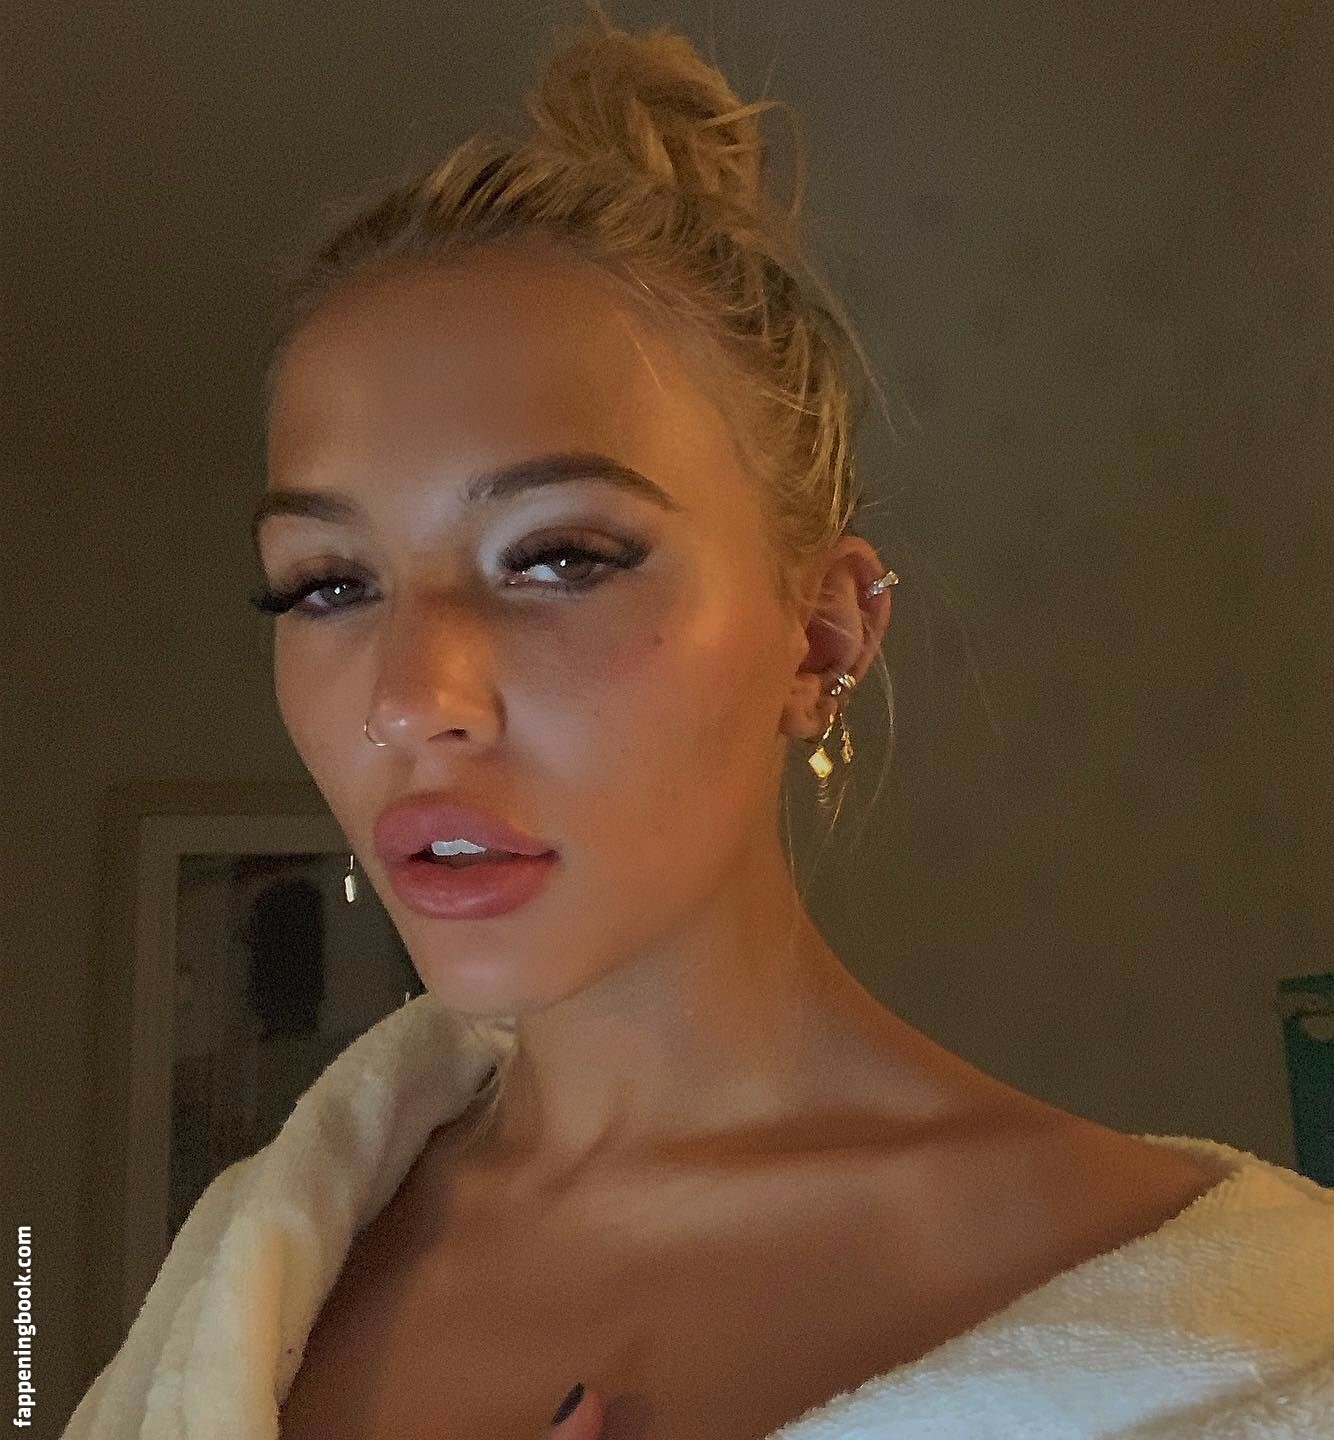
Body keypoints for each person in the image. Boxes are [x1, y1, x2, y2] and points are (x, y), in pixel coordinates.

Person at [63, 3, 1334, 1437]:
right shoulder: (246, 1264)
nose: (411, 699)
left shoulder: (1255, 1344)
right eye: (327, 583)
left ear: (822, 633)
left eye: (559, 558)